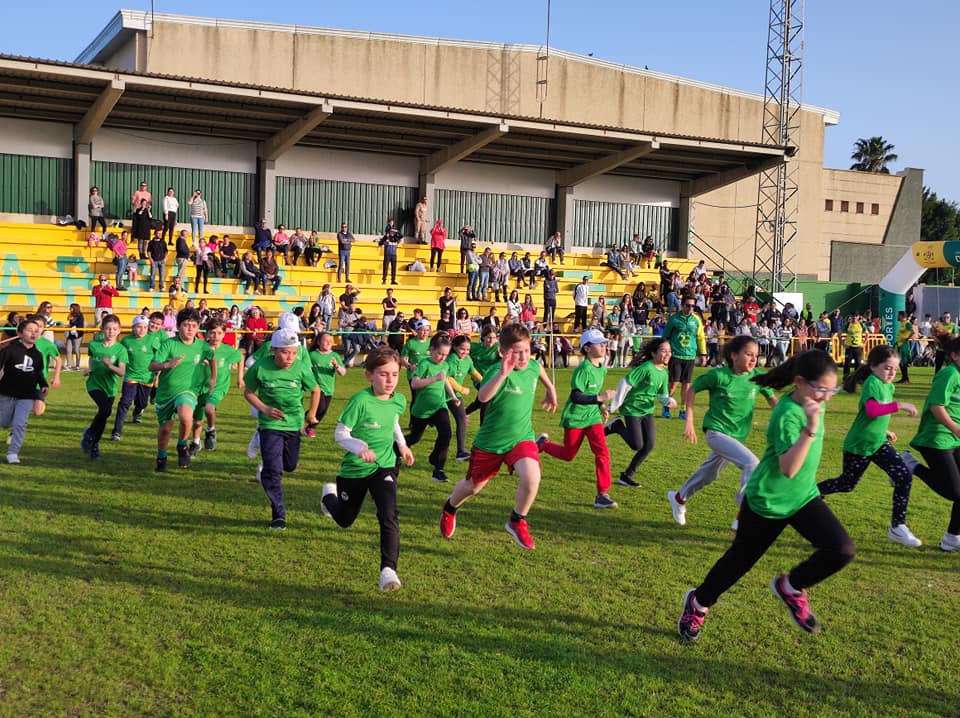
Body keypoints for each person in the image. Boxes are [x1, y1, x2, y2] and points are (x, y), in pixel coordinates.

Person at [677, 350, 855, 642]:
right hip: (767, 501)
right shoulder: (788, 414)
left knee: (842, 550)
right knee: (738, 563)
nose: (827, 396)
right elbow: (788, 468)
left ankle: (791, 586)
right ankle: (698, 603)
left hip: (802, 498)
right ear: (799, 382)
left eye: (831, 390)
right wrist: (809, 430)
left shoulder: (811, 403)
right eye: (821, 389)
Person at [439, 324, 558, 549]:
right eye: (516, 352)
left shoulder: (532, 365)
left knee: (532, 477)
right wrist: (503, 374)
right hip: (490, 443)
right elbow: (483, 397)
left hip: (521, 437)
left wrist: (550, 389)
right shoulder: (497, 371)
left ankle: (516, 521)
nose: (522, 356)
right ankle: (450, 508)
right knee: (472, 487)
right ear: (503, 353)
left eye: (526, 350)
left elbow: (538, 368)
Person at [321, 346, 414, 591]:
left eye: (394, 374)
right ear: (369, 375)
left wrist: (402, 446)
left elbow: (392, 421)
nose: (390, 380)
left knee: (388, 513)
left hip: (384, 465)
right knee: (344, 519)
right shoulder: (360, 401)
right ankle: (329, 497)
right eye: (383, 374)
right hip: (355, 470)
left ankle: (388, 570)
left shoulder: (398, 400)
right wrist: (359, 447)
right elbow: (340, 434)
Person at [816, 345, 921, 547]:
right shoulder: (872, 383)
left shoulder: (888, 386)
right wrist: (899, 405)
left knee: (904, 475)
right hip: (859, 445)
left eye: (895, 369)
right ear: (873, 366)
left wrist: (884, 431)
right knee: (847, 484)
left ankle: (898, 527)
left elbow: (877, 416)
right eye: (887, 368)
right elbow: (872, 410)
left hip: (878, 443)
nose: (891, 373)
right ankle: (810, 493)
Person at [667, 336, 777, 528]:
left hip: (736, 437)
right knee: (752, 463)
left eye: (756, 356)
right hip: (716, 432)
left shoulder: (757, 377)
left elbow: (773, 400)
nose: (753, 359)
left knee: (709, 474)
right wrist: (689, 421)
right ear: (734, 355)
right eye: (749, 354)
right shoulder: (719, 376)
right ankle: (744, 513)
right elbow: (692, 390)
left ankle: (679, 497)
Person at [244, 328, 320, 530]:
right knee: (274, 471)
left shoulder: (301, 368)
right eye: (285, 352)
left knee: (290, 465)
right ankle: (278, 515)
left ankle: (268, 460)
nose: (290, 357)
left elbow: (315, 389)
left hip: (294, 424)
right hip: (270, 424)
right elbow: (248, 392)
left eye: (294, 353)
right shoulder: (260, 367)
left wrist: (310, 414)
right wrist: (265, 409)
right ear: (274, 350)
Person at [537, 328, 618, 509]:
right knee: (568, 455)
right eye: (600, 343)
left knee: (602, 452)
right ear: (587, 348)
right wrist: (600, 398)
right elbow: (576, 397)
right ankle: (542, 445)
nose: (604, 345)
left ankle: (602, 494)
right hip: (574, 418)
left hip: (592, 418)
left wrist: (601, 406)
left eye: (604, 342)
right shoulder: (583, 369)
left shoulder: (602, 369)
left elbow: (593, 392)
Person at [900, 335, 960, 552]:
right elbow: (936, 406)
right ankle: (911, 464)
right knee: (956, 492)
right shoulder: (949, 374)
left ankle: (952, 538)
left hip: (953, 437)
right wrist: (957, 429)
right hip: (936, 437)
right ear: (954, 355)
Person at [148, 308, 216, 472]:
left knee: (186, 417)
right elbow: (151, 366)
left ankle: (181, 445)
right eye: (186, 325)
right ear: (179, 326)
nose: (190, 328)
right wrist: (167, 365)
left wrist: (213, 377)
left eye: (194, 325)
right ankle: (161, 456)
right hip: (166, 393)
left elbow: (212, 357)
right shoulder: (169, 344)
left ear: (198, 327)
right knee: (165, 429)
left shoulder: (202, 346)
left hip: (189, 390)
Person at [605, 337, 676, 488]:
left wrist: (668, 401)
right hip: (632, 409)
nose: (667, 354)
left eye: (669, 351)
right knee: (637, 445)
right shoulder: (645, 368)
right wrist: (613, 406)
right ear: (653, 353)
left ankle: (627, 475)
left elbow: (662, 395)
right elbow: (625, 384)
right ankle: (617, 426)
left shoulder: (663, 373)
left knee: (649, 445)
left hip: (647, 410)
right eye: (663, 351)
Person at [405, 333, 459, 483]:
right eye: (440, 353)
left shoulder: (445, 365)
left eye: (445, 355)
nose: (442, 357)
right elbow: (415, 384)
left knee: (446, 434)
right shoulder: (424, 364)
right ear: (431, 349)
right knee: (415, 438)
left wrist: (453, 396)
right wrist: (434, 378)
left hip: (439, 406)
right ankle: (396, 447)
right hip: (421, 410)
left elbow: (445, 380)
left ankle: (438, 467)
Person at [0, 317, 49, 464]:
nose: (34, 333)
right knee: (4, 422)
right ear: (20, 334)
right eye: (29, 330)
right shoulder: (9, 350)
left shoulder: (38, 355)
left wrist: (44, 384)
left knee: (20, 423)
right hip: (7, 393)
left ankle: (13, 453)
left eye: (36, 331)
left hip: (27, 395)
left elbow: (38, 372)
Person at [80, 314, 127, 459]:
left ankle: (91, 437)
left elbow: (121, 372)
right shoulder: (94, 345)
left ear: (119, 330)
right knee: (105, 410)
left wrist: (109, 365)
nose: (111, 332)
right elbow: (92, 359)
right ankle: (93, 443)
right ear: (102, 330)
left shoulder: (121, 350)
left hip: (110, 387)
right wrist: (89, 369)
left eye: (114, 329)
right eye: (108, 329)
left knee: (104, 415)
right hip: (94, 384)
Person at [111, 315, 157, 439]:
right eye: (139, 327)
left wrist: (158, 374)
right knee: (125, 402)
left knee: (142, 403)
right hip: (130, 376)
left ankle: (138, 411)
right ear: (133, 328)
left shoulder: (153, 340)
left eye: (145, 327)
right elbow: (119, 355)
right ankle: (116, 431)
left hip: (147, 377)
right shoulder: (126, 341)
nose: (142, 330)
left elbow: (159, 357)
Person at [662, 297, 706, 419]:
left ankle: (683, 410)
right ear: (682, 305)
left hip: (690, 356)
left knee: (686, 385)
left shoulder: (697, 320)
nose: (690, 308)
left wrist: (703, 354)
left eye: (693, 306)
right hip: (676, 355)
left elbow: (700, 338)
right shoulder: (674, 319)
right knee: (673, 384)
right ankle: (666, 407)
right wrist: (665, 353)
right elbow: (665, 336)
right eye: (688, 305)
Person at [445, 335, 481, 461]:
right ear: (454, 347)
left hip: (455, 396)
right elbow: (447, 378)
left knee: (461, 418)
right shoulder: (451, 360)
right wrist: (461, 389)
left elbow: (474, 372)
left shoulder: (468, 360)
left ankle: (461, 452)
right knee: (418, 431)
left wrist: (486, 382)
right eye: (462, 349)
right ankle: (400, 445)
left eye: (467, 350)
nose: (465, 352)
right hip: (442, 394)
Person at [306, 332, 346, 438]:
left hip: (329, 388)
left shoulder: (334, 356)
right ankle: (309, 426)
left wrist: (337, 366)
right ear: (319, 342)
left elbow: (343, 373)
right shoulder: (313, 355)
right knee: (320, 407)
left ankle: (307, 424)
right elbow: (305, 368)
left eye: (330, 341)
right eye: (326, 340)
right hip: (318, 387)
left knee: (323, 411)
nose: (329, 343)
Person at [380, 218, 402, 285]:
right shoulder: (386, 237)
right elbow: (380, 243)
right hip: (387, 254)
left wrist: (397, 231)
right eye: (392, 231)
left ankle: (393, 280)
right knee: (385, 267)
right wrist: (384, 243)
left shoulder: (396, 238)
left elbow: (401, 236)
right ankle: (384, 280)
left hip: (394, 255)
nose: (393, 232)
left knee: (394, 268)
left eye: (394, 231)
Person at [842, 313, 864, 379]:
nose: (854, 317)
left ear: (858, 317)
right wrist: (843, 343)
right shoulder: (848, 324)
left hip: (858, 347)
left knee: (858, 363)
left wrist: (864, 343)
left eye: (855, 316)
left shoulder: (861, 325)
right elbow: (839, 333)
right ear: (851, 317)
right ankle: (846, 378)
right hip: (849, 347)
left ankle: (857, 378)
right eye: (853, 316)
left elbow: (867, 334)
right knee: (847, 363)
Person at [64, 304, 85, 371]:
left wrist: (75, 330)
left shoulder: (80, 316)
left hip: (77, 335)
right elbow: (70, 323)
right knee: (68, 349)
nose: (70, 309)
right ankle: (69, 365)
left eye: (71, 308)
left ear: (75, 308)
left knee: (76, 349)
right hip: (70, 334)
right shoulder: (70, 315)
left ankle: (77, 365)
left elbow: (81, 325)